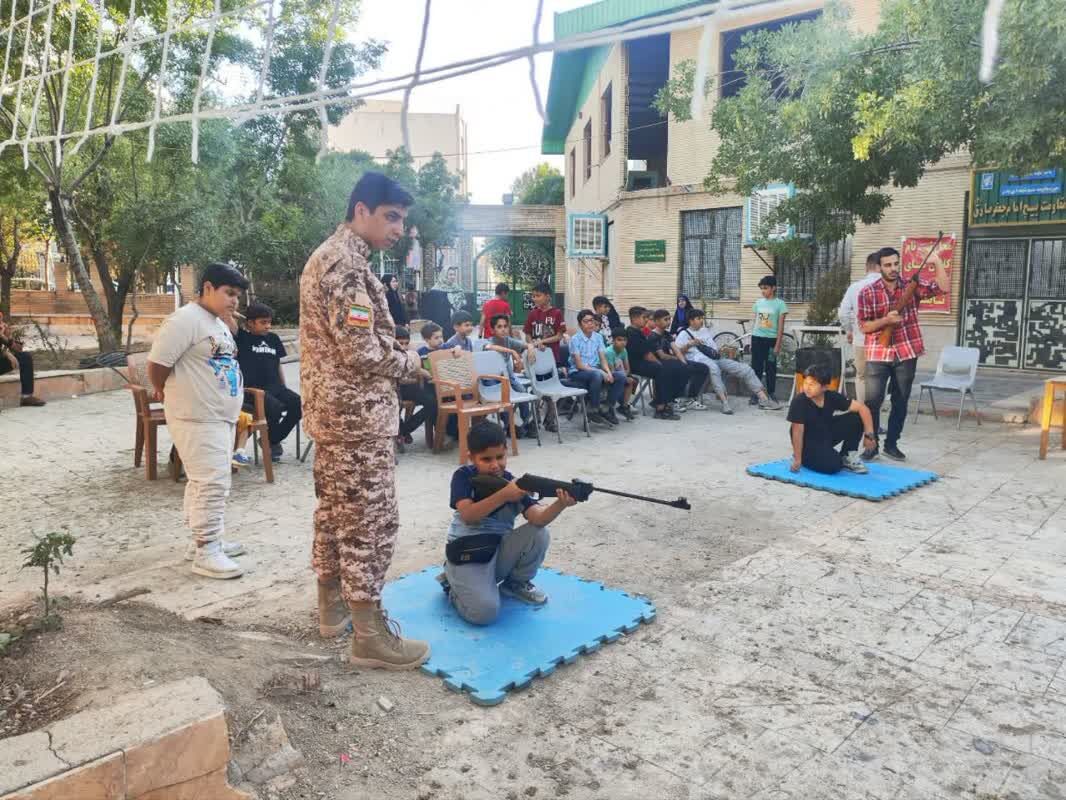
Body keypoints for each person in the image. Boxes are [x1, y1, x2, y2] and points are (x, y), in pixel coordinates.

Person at [299, 171, 433, 670]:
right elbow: (361, 351)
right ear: (361, 211)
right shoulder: (347, 268)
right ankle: (369, 635)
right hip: (356, 417)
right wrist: (412, 364)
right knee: (369, 522)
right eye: (391, 217)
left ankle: (333, 609)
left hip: (336, 415)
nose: (398, 229)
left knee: (336, 512)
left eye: (401, 220)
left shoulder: (332, 258)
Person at [147, 262, 249, 579]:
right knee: (213, 482)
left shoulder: (214, 322)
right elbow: (157, 365)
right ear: (207, 287)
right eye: (229, 293)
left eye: (238, 296)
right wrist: (166, 392)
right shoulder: (184, 320)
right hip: (196, 416)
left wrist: (229, 319)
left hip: (219, 415)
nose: (234, 301)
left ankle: (203, 540)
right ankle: (207, 551)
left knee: (203, 480)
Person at [439, 421, 576, 625]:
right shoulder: (464, 476)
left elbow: (538, 517)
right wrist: (504, 495)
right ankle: (453, 586)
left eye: (500, 457)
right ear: (471, 458)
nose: (495, 465)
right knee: (485, 613)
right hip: (468, 554)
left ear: (506, 452)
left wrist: (560, 503)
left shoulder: (513, 483)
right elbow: (468, 514)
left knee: (539, 533)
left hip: (498, 552)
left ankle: (515, 584)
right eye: (486, 459)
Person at [858, 245, 948, 461]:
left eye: (896, 264)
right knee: (873, 401)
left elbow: (943, 288)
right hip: (878, 353)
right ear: (879, 267)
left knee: (901, 400)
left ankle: (892, 444)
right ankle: (872, 445)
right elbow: (864, 326)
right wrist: (886, 321)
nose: (893, 268)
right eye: (887, 265)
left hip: (907, 351)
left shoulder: (911, 285)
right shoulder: (867, 292)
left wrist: (936, 261)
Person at [230, 302, 301, 463]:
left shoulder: (274, 339)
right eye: (263, 322)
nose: (268, 326)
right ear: (250, 323)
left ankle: (270, 439)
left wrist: (283, 387)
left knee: (298, 404)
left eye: (269, 322)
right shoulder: (242, 337)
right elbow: (227, 316)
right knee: (275, 408)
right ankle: (271, 441)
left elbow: (278, 365)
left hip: (275, 388)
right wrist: (239, 315)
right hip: (252, 391)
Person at [675, 308, 782, 413]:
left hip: (716, 358)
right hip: (701, 361)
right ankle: (725, 402)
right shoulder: (684, 334)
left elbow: (713, 349)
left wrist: (721, 350)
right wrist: (689, 345)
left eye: (702, 318)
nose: (702, 321)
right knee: (714, 369)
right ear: (691, 321)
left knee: (746, 369)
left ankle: (764, 400)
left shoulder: (704, 331)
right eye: (699, 318)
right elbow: (677, 352)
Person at [788, 364, 876, 475]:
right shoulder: (799, 401)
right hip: (808, 442)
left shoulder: (831, 396)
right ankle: (805, 457)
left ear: (825, 387)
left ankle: (847, 455)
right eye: (806, 383)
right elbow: (797, 431)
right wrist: (798, 458)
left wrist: (869, 435)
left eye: (812, 384)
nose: (807, 387)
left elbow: (863, 409)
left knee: (856, 417)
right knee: (833, 466)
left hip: (825, 433)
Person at [839, 251, 885, 406]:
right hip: (884, 341)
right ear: (881, 266)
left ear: (867, 267)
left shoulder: (855, 287)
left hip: (861, 339)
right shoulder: (890, 286)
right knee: (880, 378)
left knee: (861, 376)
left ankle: (862, 414)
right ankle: (875, 418)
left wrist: (849, 330)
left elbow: (843, 313)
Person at [625, 306, 686, 420]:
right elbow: (647, 355)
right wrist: (659, 363)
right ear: (634, 319)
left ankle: (667, 401)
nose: (647, 320)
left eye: (647, 317)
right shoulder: (631, 333)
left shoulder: (640, 332)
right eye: (644, 317)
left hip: (643, 362)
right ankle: (660, 408)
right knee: (663, 370)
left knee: (676, 368)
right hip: (635, 365)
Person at [481, 314, 536, 438]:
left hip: (509, 378)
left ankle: (526, 424)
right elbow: (489, 347)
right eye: (499, 327)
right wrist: (512, 351)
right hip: (494, 381)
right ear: (493, 329)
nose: (503, 329)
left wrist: (531, 348)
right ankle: (509, 426)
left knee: (523, 393)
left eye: (505, 326)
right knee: (504, 399)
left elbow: (527, 344)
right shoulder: (489, 341)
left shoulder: (508, 340)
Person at [568, 309, 625, 426]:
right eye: (586, 321)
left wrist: (608, 372)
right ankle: (593, 409)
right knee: (597, 375)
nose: (590, 324)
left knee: (620, 376)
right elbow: (579, 365)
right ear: (580, 324)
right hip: (579, 372)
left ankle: (606, 407)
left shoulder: (598, 337)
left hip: (595, 371)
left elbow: (603, 358)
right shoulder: (575, 339)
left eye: (592, 321)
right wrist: (600, 371)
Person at [649, 308, 708, 411]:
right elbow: (662, 356)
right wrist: (678, 360)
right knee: (682, 369)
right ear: (657, 321)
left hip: (671, 360)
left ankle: (689, 398)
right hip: (659, 363)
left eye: (669, 319)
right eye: (665, 319)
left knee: (703, 368)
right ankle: (671, 400)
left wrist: (683, 361)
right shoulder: (653, 336)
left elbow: (676, 350)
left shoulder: (667, 334)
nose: (669, 322)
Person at [395, 326, 437, 444]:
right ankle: (401, 430)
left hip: (409, 388)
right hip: (393, 390)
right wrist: (417, 371)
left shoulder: (411, 353)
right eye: (400, 343)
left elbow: (418, 373)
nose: (403, 346)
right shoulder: (390, 355)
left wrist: (418, 372)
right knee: (394, 405)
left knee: (433, 402)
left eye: (406, 343)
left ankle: (404, 430)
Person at [751, 275, 789, 403]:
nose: (763, 291)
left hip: (771, 341)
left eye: (765, 288)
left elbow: (780, 327)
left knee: (770, 366)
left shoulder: (781, 304)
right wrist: (751, 340)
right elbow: (755, 322)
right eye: (761, 288)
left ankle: (771, 392)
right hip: (757, 339)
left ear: (773, 288)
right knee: (756, 367)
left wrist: (778, 344)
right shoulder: (758, 303)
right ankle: (756, 394)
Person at [0, 312, 45, 407]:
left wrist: (6, 337)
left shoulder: (2, 328)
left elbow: (19, 349)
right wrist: (5, 353)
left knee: (25, 357)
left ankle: (26, 397)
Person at [524, 282, 566, 368]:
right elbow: (527, 334)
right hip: (535, 356)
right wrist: (533, 344)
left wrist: (542, 341)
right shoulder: (532, 314)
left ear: (548, 296)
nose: (535, 299)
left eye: (538, 296)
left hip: (553, 357)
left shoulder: (557, 313)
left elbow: (559, 336)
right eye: (533, 296)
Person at [606, 327, 637, 420]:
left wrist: (625, 375)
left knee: (631, 381)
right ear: (613, 340)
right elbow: (611, 371)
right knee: (624, 379)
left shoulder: (624, 350)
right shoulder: (609, 352)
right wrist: (623, 376)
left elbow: (628, 368)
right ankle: (609, 406)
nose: (623, 342)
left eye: (625, 340)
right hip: (608, 375)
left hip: (619, 375)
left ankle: (624, 406)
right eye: (619, 340)